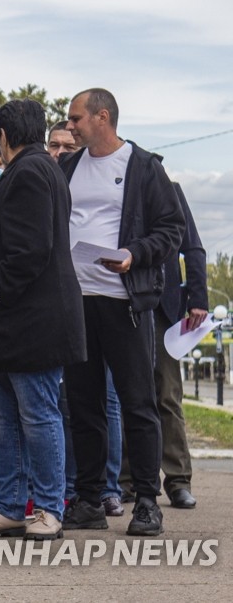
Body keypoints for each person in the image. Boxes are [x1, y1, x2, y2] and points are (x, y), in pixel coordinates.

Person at [0, 99, 86, 541]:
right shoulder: (32, 169)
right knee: (6, 418)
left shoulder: (31, 171)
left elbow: (30, 250)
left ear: (5, 137)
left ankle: (48, 508)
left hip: (29, 319)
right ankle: (11, 506)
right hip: (11, 324)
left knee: (38, 415)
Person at [59, 88, 184, 536]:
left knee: (138, 403)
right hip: (77, 305)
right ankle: (89, 501)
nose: (69, 126)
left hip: (125, 304)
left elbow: (172, 230)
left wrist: (134, 253)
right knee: (83, 405)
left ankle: (148, 502)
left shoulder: (145, 167)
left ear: (102, 117)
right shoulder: (68, 167)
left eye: (75, 119)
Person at [47, 123, 123, 516]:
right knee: (68, 402)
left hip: (107, 298)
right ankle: (74, 487)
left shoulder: (104, 173)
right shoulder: (52, 180)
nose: (60, 150)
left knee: (106, 400)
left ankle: (108, 488)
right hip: (64, 304)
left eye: (67, 144)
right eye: (53, 145)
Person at [152, 183, 207, 510]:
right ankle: (127, 480)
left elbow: (193, 247)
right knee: (122, 395)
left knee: (167, 395)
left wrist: (198, 298)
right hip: (117, 305)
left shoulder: (167, 188)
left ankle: (177, 480)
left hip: (164, 308)